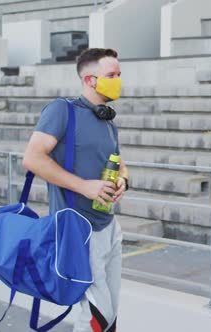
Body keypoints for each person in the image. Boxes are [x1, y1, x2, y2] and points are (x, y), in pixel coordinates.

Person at [23, 48, 128, 332]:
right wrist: (85, 187)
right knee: (98, 314)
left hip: (109, 226)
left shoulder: (107, 120)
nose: (118, 80)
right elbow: (32, 158)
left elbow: (120, 164)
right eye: (111, 75)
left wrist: (123, 181)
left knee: (111, 311)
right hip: (78, 229)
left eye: (119, 74)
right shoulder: (62, 110)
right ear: (90, 80)